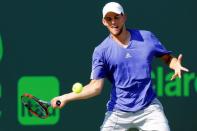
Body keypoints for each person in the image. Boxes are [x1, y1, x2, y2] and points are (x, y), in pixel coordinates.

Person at [51, 2, 189, 131]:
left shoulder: (146, 37)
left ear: (124, 17)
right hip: (118, 112)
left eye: (116, 17)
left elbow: (167, 58)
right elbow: (95, 87)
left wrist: (175, 63)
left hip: (149, 109)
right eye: (109, 19)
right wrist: (65, 97)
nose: (113, 22)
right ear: (104, 22)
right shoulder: (101, 51)